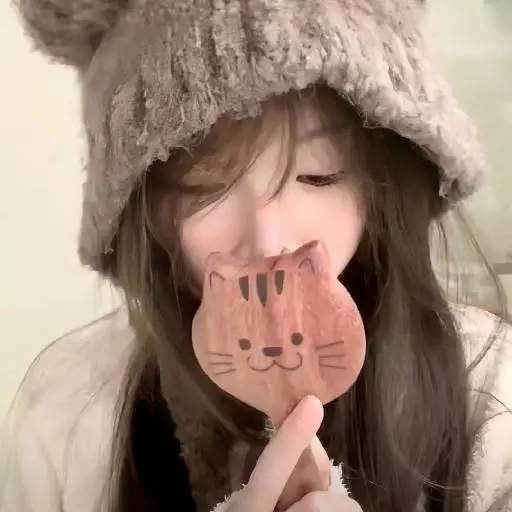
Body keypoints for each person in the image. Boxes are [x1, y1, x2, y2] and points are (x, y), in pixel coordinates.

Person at [1, 0, 511, 511]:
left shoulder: (494, 400)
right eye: (205, 186)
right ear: (146, 207)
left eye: (319, 175)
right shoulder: (69, 416)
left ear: (385, 186)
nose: (269, 241)